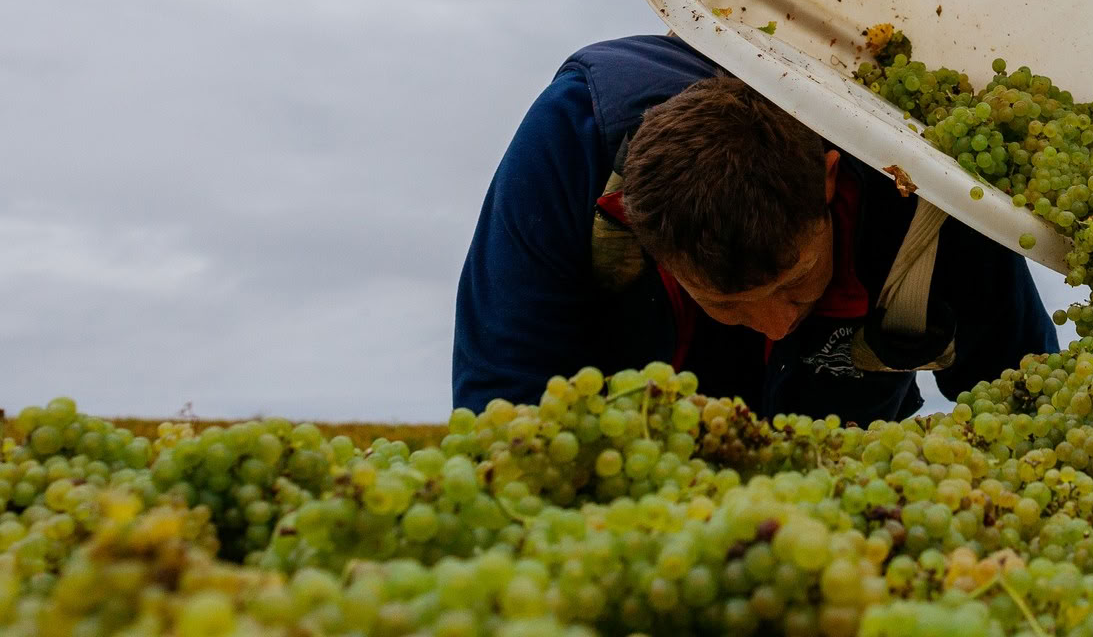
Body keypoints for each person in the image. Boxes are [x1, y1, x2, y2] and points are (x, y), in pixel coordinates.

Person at [452, 33, 1060, 421]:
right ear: (637, 225)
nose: (779, 320)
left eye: (797, 281)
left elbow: (1028, 390)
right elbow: (506, 393)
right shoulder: (571, 146)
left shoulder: (930, 188)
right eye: (728, 303)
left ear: (826, 182)